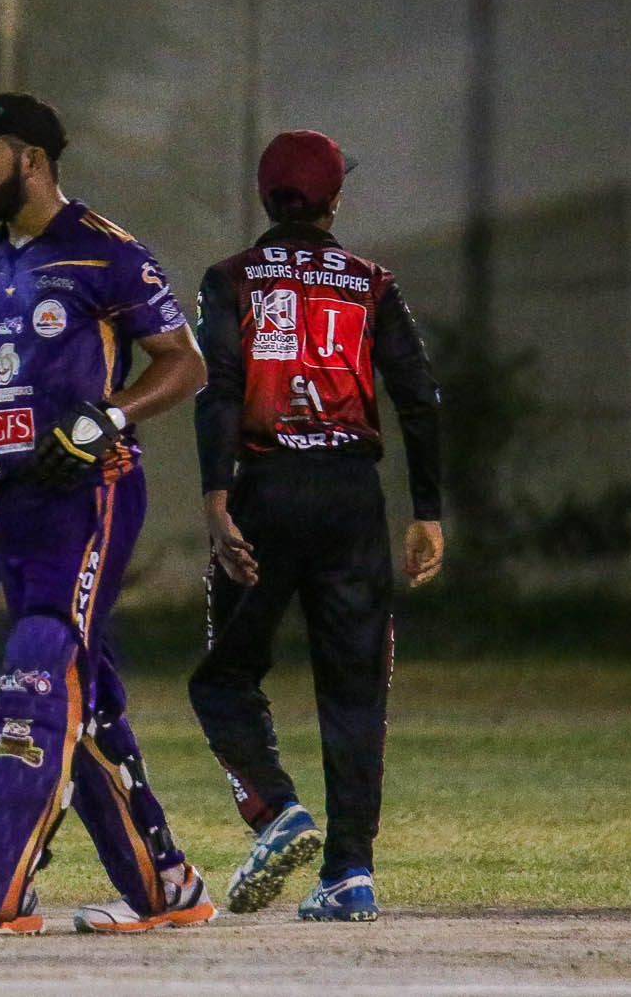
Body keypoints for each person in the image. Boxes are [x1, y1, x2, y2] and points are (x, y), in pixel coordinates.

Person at [0, 93, 214, 935]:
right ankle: (166, 884)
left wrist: (106, 417)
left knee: (38, 664)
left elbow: (185, 363)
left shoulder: (104, 249)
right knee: (89, 699)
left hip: (92, 492)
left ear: (34, 161)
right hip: (17, 501)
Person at [188, 129, 444, 923]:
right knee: (355, 688)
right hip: (349, 497)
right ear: (333, 200)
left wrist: (216, 497)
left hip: (264, 491)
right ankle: (350, 873)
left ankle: (276, 808)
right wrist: (428, 510)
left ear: (266, 198)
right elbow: (419, 396)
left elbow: (218, 387)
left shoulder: (231, 278)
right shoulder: (370, 281)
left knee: (225, 677)